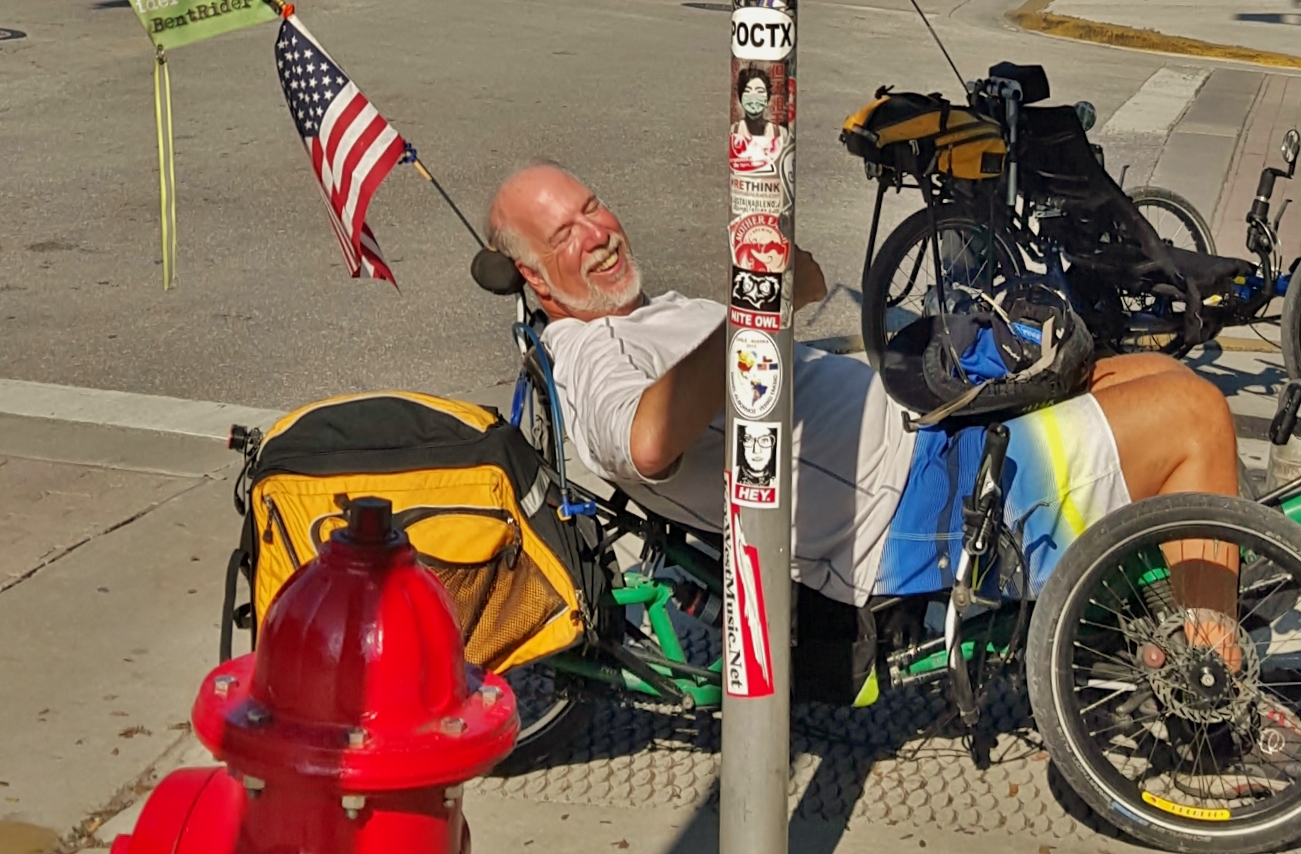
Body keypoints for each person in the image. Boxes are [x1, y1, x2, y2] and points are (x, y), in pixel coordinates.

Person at [486, 165, 1258, 681]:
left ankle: (1154, 606)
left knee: (1143, 373)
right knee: (1195, 416)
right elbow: (646, 443)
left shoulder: (650, 313)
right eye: (564, 236)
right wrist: (754, 316)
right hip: (908, 509)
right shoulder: (589, 355)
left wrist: (776, 284)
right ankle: (1211, 679)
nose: (597, 234)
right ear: (531, 276)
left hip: (922, 443)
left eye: (591, 209)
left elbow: (809, 281)